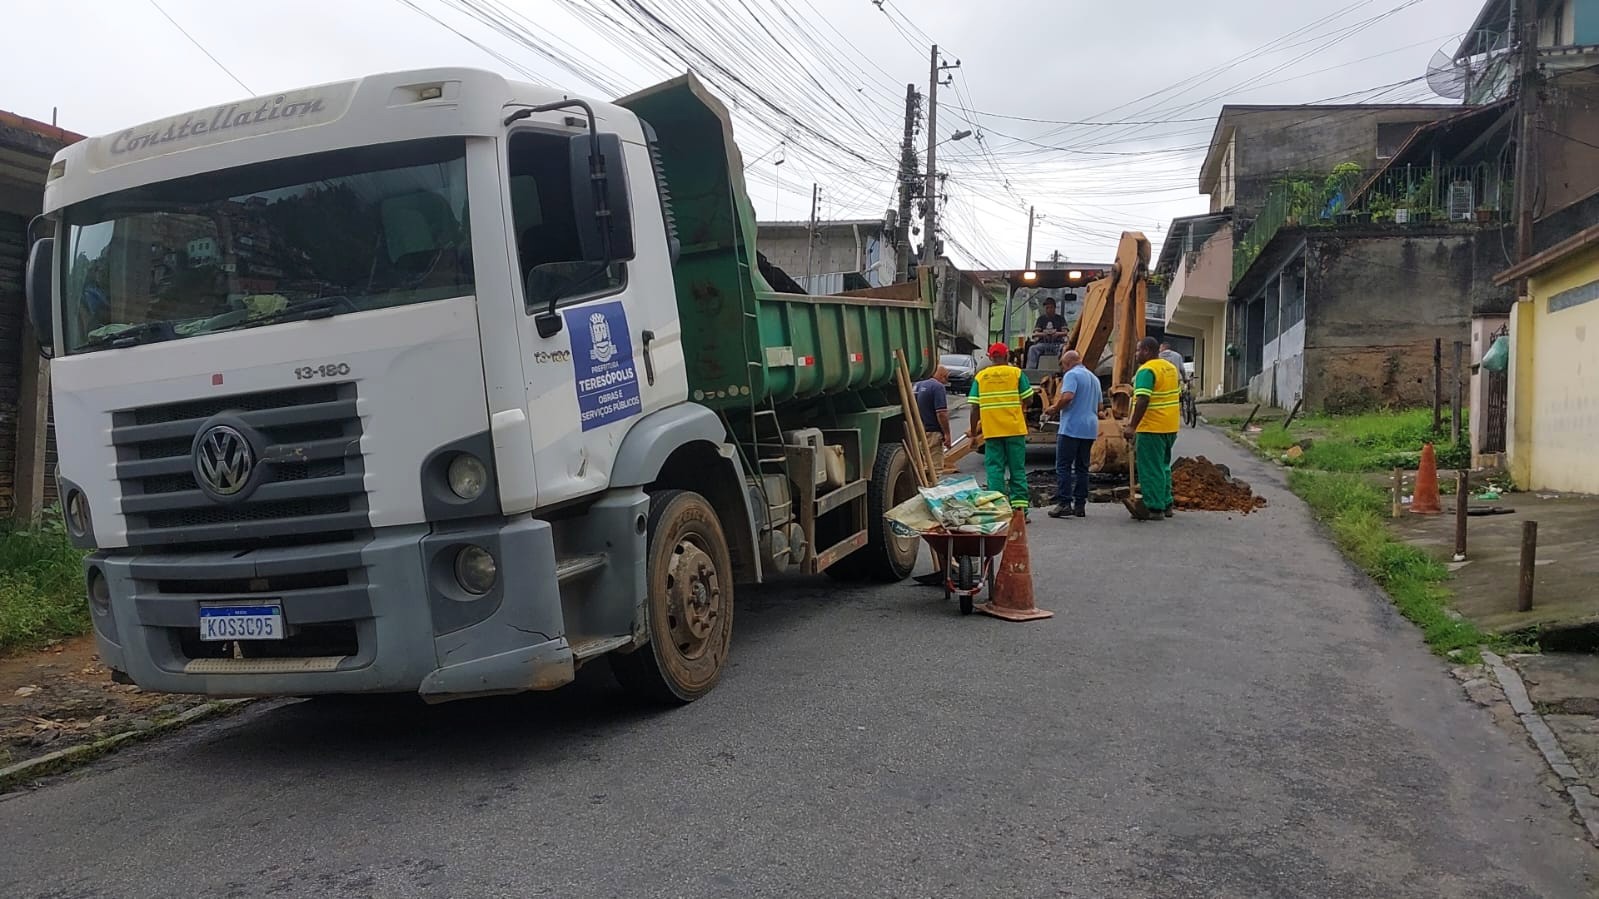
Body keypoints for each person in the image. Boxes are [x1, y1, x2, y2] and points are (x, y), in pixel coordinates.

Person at [968, 342, 1034, 513]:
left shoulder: (981, 377)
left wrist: (974, 434)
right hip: (1014, 430)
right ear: (1007, 356)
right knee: (1017, 469)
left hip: (992, 432)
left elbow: (974, 408)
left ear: (990, 358)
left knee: (995, 470)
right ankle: (1019, 509)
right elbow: (1029, 399)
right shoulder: (1016, 373)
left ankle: (999, 509)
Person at [1124, 337, 1182, 519]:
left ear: (1147, 351)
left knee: (1150, 467)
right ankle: (1166, 503)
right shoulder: (1170, 368)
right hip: (1170, 426)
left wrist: (1132, 426)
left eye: (1138, 350)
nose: (1136, 354)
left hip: (1151, 427)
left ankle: (1154, 507)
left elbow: (1143, 399)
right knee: (1163, 466)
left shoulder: (1146, 370)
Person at [1046, 349, 1102, 519]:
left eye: (1063, 365)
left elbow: (1068, 396)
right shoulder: (1094, 378)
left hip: (1071, 428)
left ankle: (1064, 503)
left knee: (1063, 466)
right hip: (1090, 428)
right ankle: (1080, 505)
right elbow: (1100, 408)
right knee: (1082, 468)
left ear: (1068, 363)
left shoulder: (1071, 375)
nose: (1063, 369)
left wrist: (1054, 408)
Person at [912, 366, 954, 586]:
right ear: (943, 376)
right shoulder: (938, 387)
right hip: (932, 433)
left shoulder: (917, 385)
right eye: (947, 379)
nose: (946, 382)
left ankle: (924, 498)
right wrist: (947, 433)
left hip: (917, 433)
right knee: (934, 476)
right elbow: (942, 413)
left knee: (922, 474)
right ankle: (933, 507)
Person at [1025, 298, 1069, 369]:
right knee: (1033, 349)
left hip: (1057, 344)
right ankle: (1031, 370)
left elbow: (1065, 332)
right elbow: (1035, 333)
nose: (1049, 309)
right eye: (1047, 308)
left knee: (1064, 348)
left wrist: (1057, 333)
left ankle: (1062, 369)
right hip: (1043, 344)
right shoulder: (1041, 319)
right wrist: (1044, 334)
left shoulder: (1060, 319)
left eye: (1051, 307)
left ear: (1054, 308)